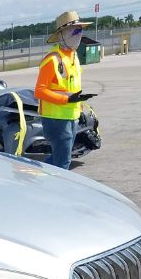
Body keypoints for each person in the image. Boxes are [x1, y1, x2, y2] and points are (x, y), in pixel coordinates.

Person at [34, 11, 97, 169]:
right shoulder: (52, 60)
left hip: (70, 115)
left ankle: (34, 177)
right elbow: (39, 91)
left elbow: (71, 86)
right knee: (63, 162)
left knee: (59, 159)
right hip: (55, 119)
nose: (79, 34)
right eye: (75, 30)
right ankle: (54, 189)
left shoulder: (73, 56)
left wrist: (78, 104)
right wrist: (67, 99)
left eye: (81, 30)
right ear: (62, 34)